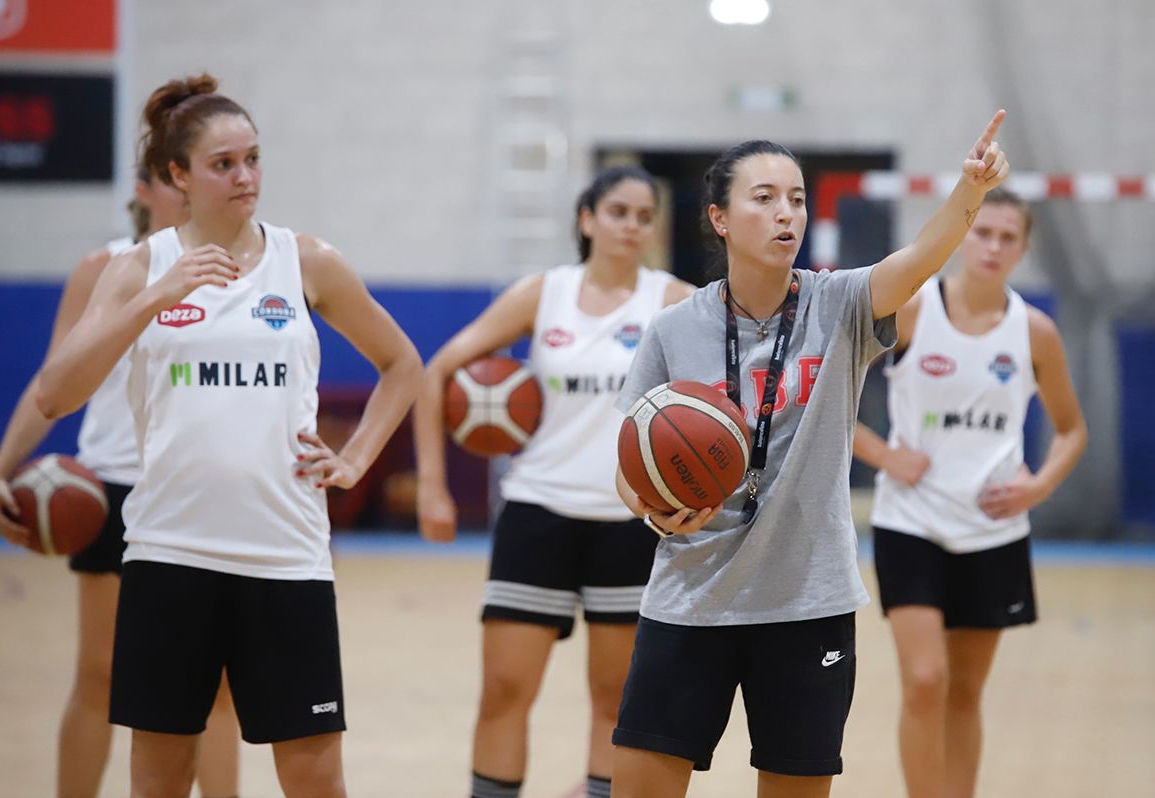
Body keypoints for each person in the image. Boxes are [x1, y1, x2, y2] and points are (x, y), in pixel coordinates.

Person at [34, 73, 423, 798]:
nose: (245, 177)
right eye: (223, 164)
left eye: (253, 158)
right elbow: (56, 393)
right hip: (169, 553)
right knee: (159, 777)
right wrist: (156, 296)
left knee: (314, 778)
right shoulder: (138, 270)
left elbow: (402, 365)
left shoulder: (306, 261)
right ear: (177, 175)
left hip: (286, 555)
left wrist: (356, 457)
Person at [608, 111, 1011, 798]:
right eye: (763, 199)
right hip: (688, 600)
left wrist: (969, 192)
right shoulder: (675, 329)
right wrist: (651, 507)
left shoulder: (843, 304)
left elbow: (921, 259)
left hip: (807, 606)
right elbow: (627, 464)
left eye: (795, 198)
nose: (785, 214)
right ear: (720, 218)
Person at [414, 165, 695, 798]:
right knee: (505, 690)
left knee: (614, 699)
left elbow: (722, 403)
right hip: (538, 510)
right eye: (618, 212)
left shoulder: (674, 300)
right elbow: (435, 373)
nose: (631, 225)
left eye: (644, 216)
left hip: (632, 520)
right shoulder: (542, 295)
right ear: (586, 219)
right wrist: (434, 486)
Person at [0, 163, 241, 798]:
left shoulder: (240, 264)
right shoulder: (103, 266)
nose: (186, 191)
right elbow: (52, 380)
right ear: (145, 188)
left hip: (203, 488)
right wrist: (0, 467)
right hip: (115, 486)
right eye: (172, 179)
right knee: (100, 671)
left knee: (215, 686)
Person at [853, 187, 1087, 798]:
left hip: (994, 528)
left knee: (965, 693)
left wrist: (1037, 486)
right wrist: (882, 454)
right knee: (926, 680)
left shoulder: (1035, 332)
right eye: (983, 232)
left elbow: (1071, 430)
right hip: (912, 523)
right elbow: (825, 391)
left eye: (1008, 237)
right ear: (962, 236)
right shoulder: (914, 310)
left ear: (1023, 249)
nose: (993, 246)